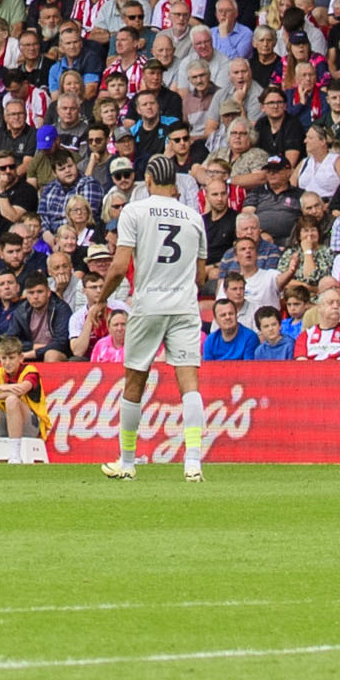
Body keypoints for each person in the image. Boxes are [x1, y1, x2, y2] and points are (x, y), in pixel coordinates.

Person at [105, 158, 217, 481]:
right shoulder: (195, 217)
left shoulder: (135, 211)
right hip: (184, 306)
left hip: (149, 303)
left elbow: (119, 264)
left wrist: (100, 301)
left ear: (149, 179)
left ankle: (127, 463)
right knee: (189, 383)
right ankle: (193, 462)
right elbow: (200, 275)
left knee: (134, 381)